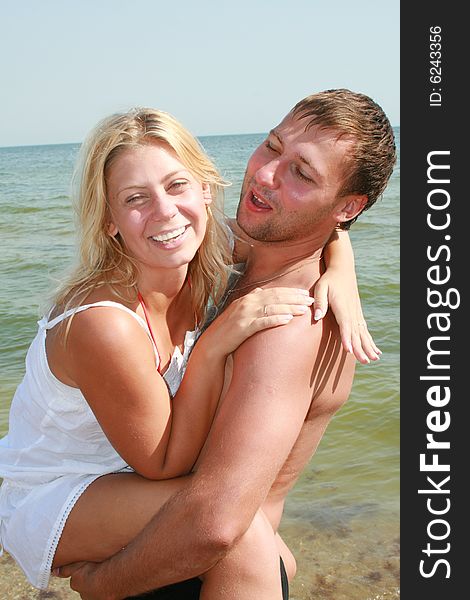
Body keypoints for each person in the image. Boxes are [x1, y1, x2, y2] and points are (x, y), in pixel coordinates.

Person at [0, 104, 369, 599]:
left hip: (124, 479)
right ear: (109, 220)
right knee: (242, 532)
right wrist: (212, 348)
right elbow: (167, 464)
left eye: (177, 186)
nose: (165, 212)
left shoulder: (202, 251)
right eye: (135, 198)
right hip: (60, 491)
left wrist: (341, 263)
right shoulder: (103, 324)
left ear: (205, 189)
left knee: (244, 530)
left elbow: (308, 231)